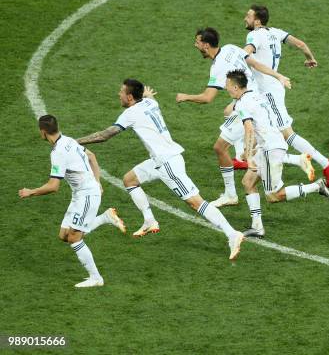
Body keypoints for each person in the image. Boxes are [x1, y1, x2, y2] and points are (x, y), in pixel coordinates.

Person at [77, 79, 244, 260]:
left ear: (130, 97)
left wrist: (75, 141)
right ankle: (149, 220)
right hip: (160, 160)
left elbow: (104, 135)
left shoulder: (130, 113)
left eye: (121, 92)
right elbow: (149, 99)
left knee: (196, 203)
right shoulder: (149, 102)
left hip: (168, 164)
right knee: (130, 180)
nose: (119, 94)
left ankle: (232, 234)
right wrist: (147, 95)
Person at [176, 27, 302, 208]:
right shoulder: (230, 48)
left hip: (246, 106)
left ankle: (231, 193)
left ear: (205, 45)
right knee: (235, 123)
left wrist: (185, 97)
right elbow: (255, 64)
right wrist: (278, 75)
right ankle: (255, 160)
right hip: (256, 101)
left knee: (221, 147)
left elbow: (207, 98)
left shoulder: (218, 67)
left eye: (197, 42)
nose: (195, 45)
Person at [19, 115, 126, 288]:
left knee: (74, 238)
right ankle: (106, 217)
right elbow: (92, 156)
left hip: (86, 195)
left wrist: (30, 192)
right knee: (64, 235)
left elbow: (53, 186)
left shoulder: (57, 153)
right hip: (80, 195)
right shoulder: (68, 140)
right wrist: (98, 181)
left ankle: (96, 278)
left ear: (43, 132)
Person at [227, 70, 329, 238]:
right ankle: (257, 227)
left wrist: (247, 156)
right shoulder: (257, 96)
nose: (227, 89)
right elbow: (261, 126)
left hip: (271, 149)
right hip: (268, 145)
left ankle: (316, 187)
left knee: (273, 196)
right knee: (248, 182)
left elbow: (249, 129)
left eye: (227, 86)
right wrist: (252, 148)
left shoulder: (241, 104)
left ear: (235, 86)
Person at [243, 4, 329, 187]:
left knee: (287, 134)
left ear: (257, 21)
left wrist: (240, 59)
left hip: (269, 91)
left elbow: (246, 54)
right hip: (264, 91)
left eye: (248, 16)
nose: (245, 19)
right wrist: (310, 58)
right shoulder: (276, 32)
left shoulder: (254, 35)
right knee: (256, 125)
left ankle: (326, 163)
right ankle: (249, 162)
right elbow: (300, 44)